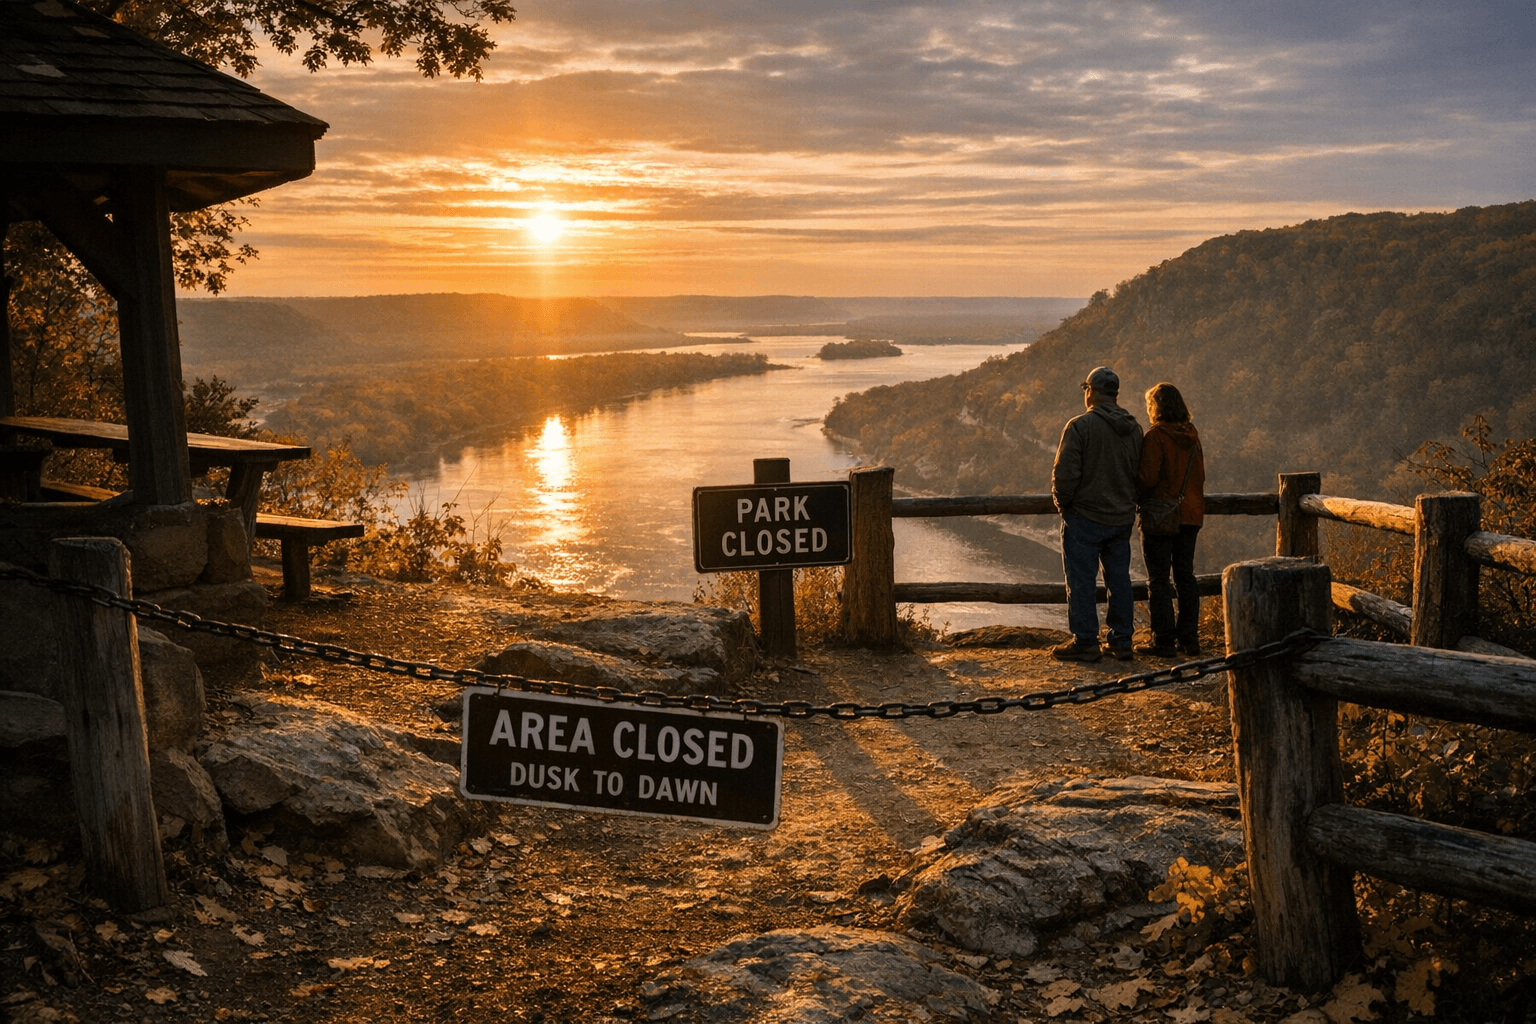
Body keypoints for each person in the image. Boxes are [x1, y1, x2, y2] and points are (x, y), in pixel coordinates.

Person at [1050, 366, 1144, 662]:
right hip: (1121, 519)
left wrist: (1064, 506)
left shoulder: (1080, 426)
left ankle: (1086, 641)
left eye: (1085, 388)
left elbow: (1064, 474)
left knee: (1080, 581)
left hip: (1085, 518)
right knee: (1120, 580)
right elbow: (1139, 475)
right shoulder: (1134, 428)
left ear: (1091, 391)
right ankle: (1121, 640)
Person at [1136, 382, 1205, 657]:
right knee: (1185, 576)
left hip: (1161, 517)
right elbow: (1200, 477)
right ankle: (1189, 639)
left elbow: (1147, 478)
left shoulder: (1156, 437)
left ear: (1156, 407)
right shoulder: (1193, 436)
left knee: (1159, 579)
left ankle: (1162, 640)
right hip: (1190, 514)